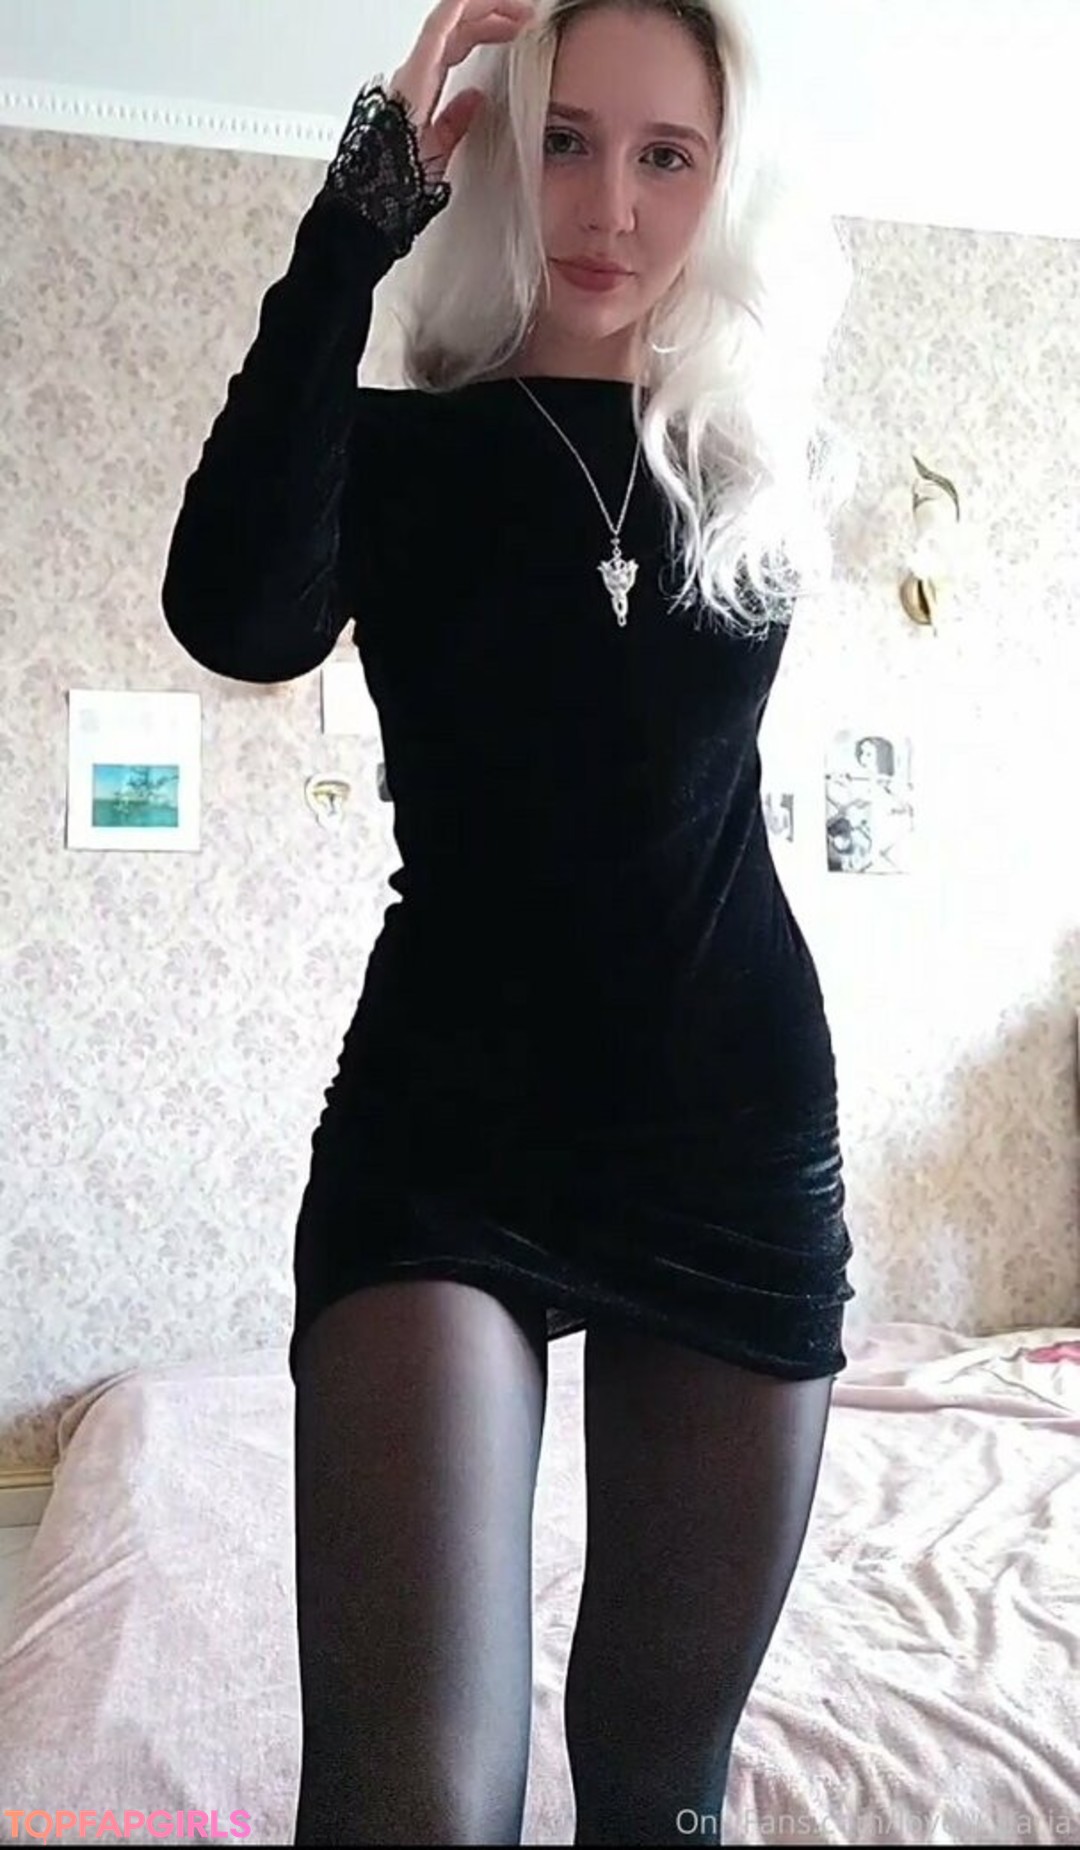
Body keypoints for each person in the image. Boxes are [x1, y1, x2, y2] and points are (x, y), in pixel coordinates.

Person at [161, 1, 856, 1842]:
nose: (609, 204)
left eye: (666, 156)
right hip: (446, 1137)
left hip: (726, 1138)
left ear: (723, 184)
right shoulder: (404, 452)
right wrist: (359, 212)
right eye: (564, 139)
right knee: (413, 1802)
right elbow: (235, 614)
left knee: (656, 1792)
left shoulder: (747, 469)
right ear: (500, 151)